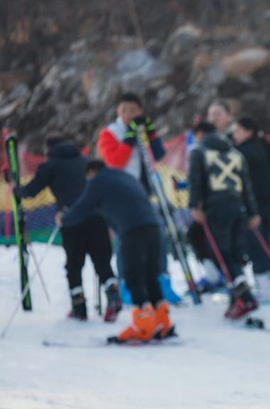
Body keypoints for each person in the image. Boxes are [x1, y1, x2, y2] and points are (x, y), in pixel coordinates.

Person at [59, 161, 175, 342]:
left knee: (133, 275)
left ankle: (143, 324)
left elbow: (84, 206)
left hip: (132, 230)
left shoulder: (98, 181)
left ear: (91, 172)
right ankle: (163, 320)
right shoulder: (125, 176)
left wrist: (64, 219)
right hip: (153, 226)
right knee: (150, 275)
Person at [14, 137, 121, 321]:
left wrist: (16, 190)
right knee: (102, 262)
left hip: (70, 218)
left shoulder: (50, 165)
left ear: (49, 148)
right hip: (97, 216)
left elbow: (32, 190)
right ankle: (113, 296)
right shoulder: (85, 161)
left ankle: (79, 307)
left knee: (74, 265)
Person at [98, 92, 182, 305]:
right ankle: (127, 283)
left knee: (157, 237)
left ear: (141, 112)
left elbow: (159, 154)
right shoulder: (110, 132)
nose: (128, 114)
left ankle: (161, 281)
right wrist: (128, 139)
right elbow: (115, 161)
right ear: (118, 111)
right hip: (122, 194)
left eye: (133, 110)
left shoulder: (142, 131)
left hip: (146, 191)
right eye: (124, 109)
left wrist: (151, 133)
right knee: (126, 240)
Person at [188, 121, 261, 318]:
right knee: (235, 253)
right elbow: (247, 185)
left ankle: (245, 297)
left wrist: (194, 205)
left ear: (200, 134)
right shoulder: (236, 153)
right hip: (238, 208)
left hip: (216, 207)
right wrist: (253, 212)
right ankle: (235, 299)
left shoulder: (199, 151)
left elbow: (196, 181)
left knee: (221, 254)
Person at [232, 116, 270, 301]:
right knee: (263, 242)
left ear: (248, 131)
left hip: (256, 204)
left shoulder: (246, 151)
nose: (234, 135)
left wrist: (251, 209)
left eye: (237, 131)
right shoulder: (261, 145)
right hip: (266, 202)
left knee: (255, 243)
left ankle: (266, 287)